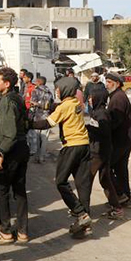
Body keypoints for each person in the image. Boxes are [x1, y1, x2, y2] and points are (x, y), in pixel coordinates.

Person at [30, 76, 93, 237]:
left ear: (64, 90)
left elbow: (46, 123)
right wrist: (45, 105)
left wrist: (26, 123)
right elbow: (54, 106)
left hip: (71, 146)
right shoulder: (74, 103)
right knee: (82, 184)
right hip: (84, 145)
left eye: (58, 88)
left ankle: (80, 213)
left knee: (60, 182)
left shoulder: (64, 107)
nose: (56, 91)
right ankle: (85, 224)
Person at [0, 67, 31, 243]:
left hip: (11, 151)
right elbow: (25, 123)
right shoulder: (17, 98)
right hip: (21, 148)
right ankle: (22, 231)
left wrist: (0, 153)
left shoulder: (7, 102)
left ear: (6, 84)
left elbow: (10, 133)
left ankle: (5, 231)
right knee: (19, 191)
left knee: (2, 190)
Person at [86, 89, 124, 219]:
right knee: (105, 180)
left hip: (99, 152)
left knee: (86, 180)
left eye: (91, 97)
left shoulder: (101, 114)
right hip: (103, 151)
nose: (89, 100)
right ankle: (117, 208)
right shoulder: (97, 112)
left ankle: (83, 211)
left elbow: (104, 132)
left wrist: (88, 129)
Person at [105, 72, 131, 207]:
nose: (106, 84)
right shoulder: (116, 96)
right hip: (124, 139)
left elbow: (115, 121)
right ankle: (125, 198)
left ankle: (119, 195)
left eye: (109, 82)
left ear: (117, 84)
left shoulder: (118, 98)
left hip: (120, 140)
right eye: (106, 81)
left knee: (106, 168)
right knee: (120, 169)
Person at [29, 76, 53, 164]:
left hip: (37, 117)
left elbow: (32, 103)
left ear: (39, 82)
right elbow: (51, 104)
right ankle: (42, 157)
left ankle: (37, 157)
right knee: (44, 139)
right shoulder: (49, 91)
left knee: (37, 138)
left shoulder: (36, 91)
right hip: (46, 117)